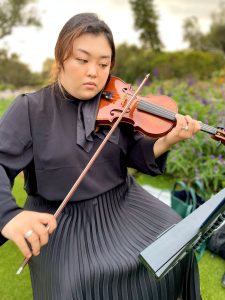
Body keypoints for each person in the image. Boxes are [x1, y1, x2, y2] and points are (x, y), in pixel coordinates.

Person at [0, 13, 201, 300]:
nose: (94, 71)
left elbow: (134, 152)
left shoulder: (118, 102)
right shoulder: (30, 109)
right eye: (82, 60)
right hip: (62, 219)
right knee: (76, 285)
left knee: (176, 244)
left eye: (103, 64)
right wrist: (8, 215)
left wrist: (168, 139)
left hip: (123, 203)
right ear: (60, 60)